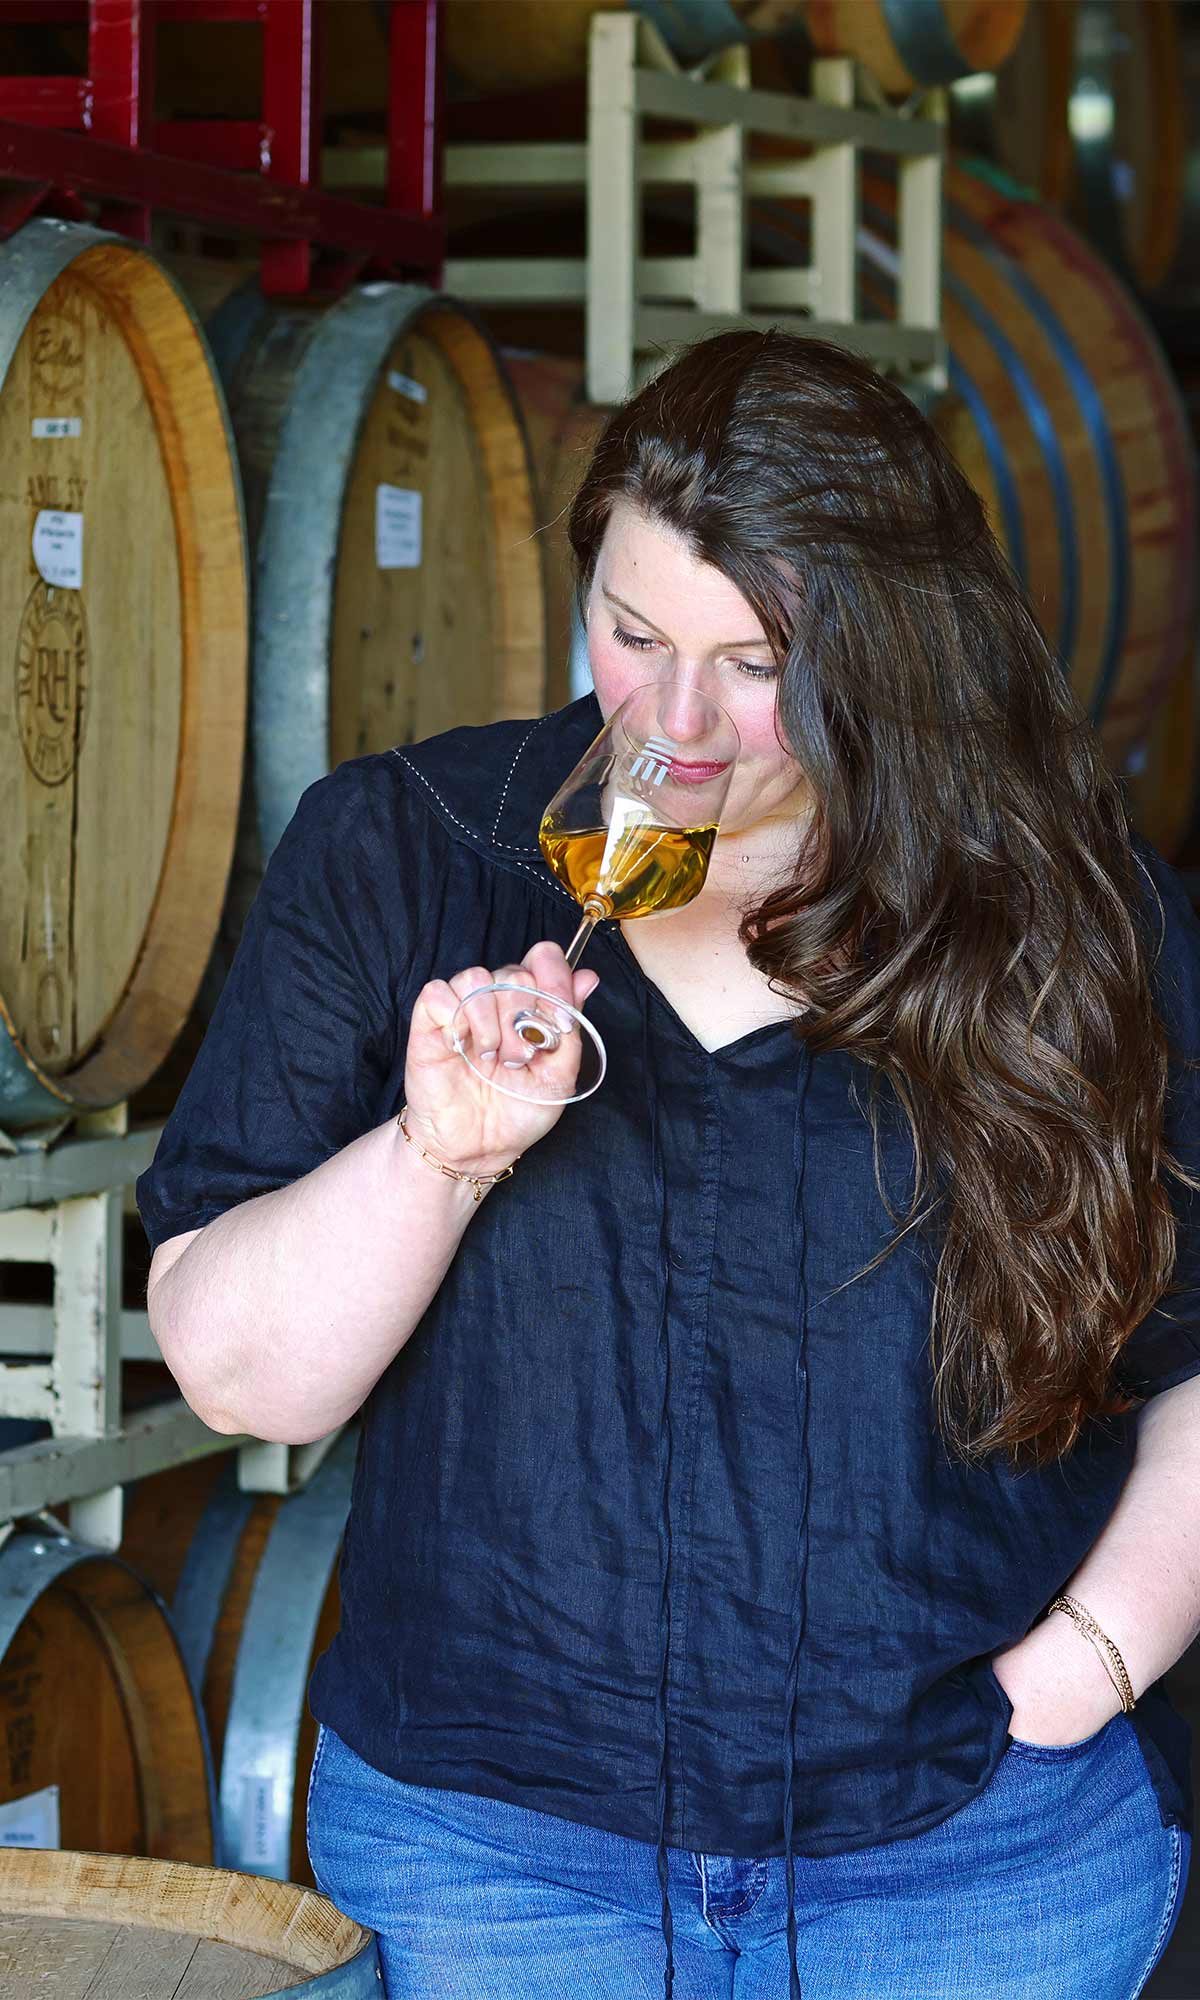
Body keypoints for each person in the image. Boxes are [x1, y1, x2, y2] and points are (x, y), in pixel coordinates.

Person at [138, 329, 1200, 2000]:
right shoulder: (410, 851)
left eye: (760, 660)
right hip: (495, 1866)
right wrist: (438, 1154)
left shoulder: (1061, 913)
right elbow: (235, 1378)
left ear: (891, 649)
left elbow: (1194, 1353)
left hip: (965, 1868)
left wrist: (1089, 1665)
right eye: (633, 636)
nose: (680, 722)